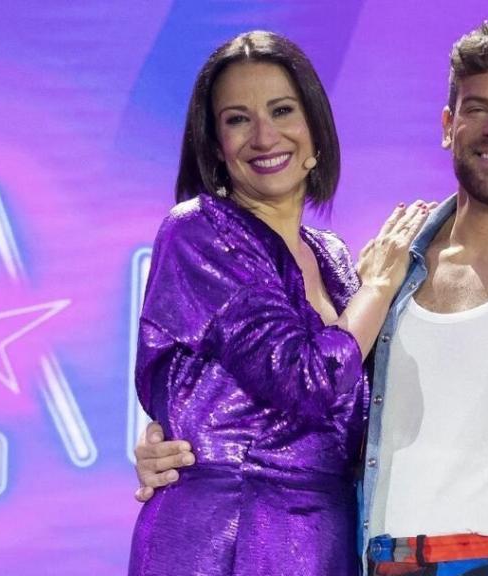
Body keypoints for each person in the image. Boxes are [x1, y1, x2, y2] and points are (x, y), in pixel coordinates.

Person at [136, 22, 488, 576]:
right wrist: (188, 446)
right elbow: (307, 401)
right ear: (447, 124)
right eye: (478, 108)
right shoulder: (388, 276)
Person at [127, 31, 430, 576]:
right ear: (216, 145)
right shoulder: (201, 232)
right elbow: (306, 379)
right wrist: (380, 288)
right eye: (237, 119)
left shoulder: (335, 259)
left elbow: (370, 418)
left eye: (282, 110)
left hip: (325, 535)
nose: (264, 136)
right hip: (222, 535)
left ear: (315, 131)